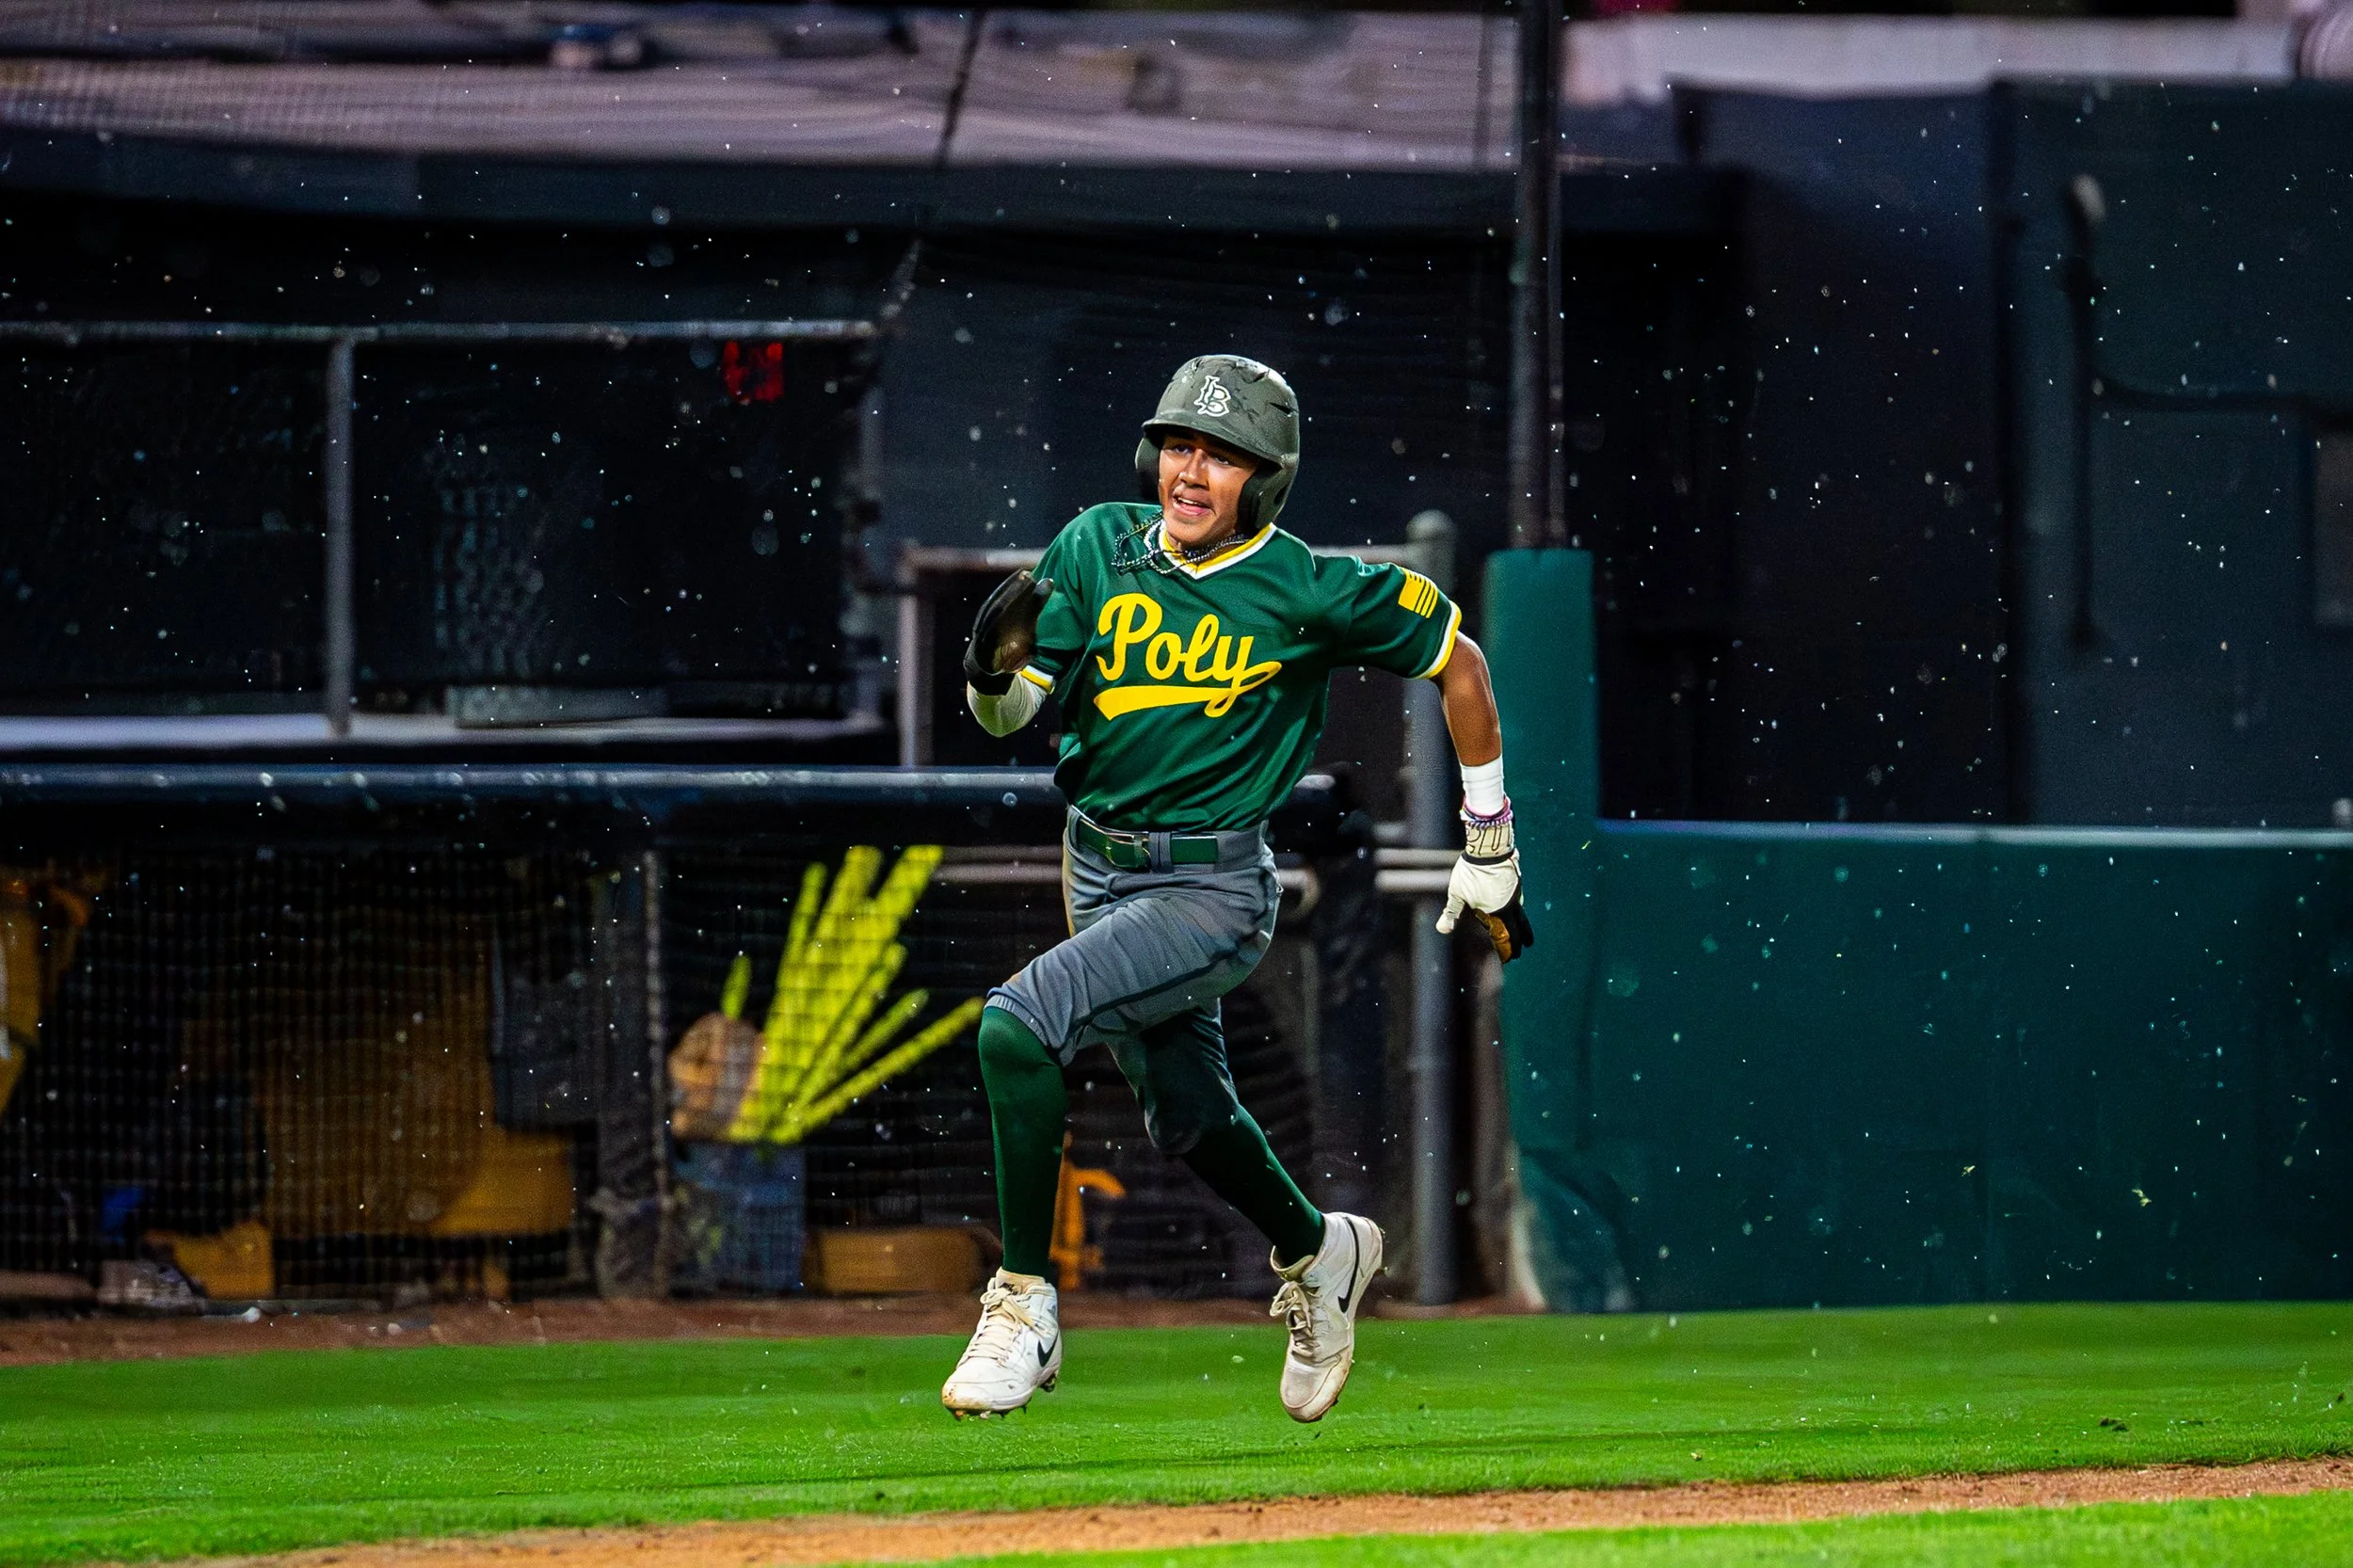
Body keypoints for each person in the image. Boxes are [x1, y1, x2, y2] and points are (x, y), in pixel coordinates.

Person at [941, 353, 1532, 1422]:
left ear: (1266, 477)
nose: (1191, 468)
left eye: (1221, 454)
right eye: (1179, 443)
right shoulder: (1094, 545)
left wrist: (1489, 840)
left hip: (1210, 889)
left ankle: (1023, 1304)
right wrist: (989, 678)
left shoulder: (1306, 586)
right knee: (1187, 1113)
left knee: (1013, 1028)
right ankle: (1319, 1249)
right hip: (1096, 861)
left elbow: (1463, 665)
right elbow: (1013, 714)